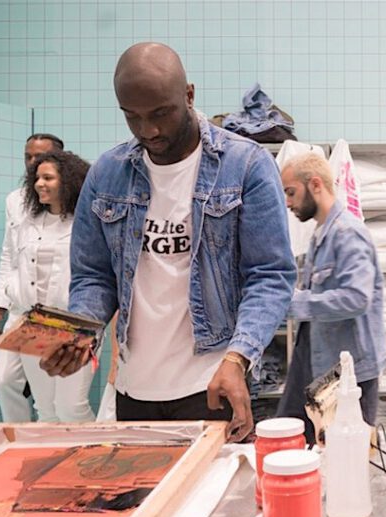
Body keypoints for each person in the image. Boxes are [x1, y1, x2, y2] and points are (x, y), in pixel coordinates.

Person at [41, 42, 295, 440]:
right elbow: (94, 276)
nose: (149, 131)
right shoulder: (107, 173)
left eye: (161, 113)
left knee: (213, 500)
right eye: (133, 117)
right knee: (145, 500)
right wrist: (81, 332)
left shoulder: (245, 165)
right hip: (134, 391)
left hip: (213, 383)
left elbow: (271, 275)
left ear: (189, 94)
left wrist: (238, 357)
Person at [275, 153, 386, 444]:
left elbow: (356, 298)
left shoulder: (347, 234)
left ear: (315, 185)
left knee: (347, 457)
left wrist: (295, 303)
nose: (287, 203)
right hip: (318, 364)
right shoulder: (319, 235)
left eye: (291, 192)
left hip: (347, 376)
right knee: (295, 439)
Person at [7, 150, 96, 422]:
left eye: (48, 178)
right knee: (44, 408)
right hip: (33, 324)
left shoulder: (85, 222)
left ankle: (93, 459)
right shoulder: (27, 224)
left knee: (71, 407)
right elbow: (14, 264)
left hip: (72, 324)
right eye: (36, 178)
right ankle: (55, 461)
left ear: (67, 181)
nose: (39, 184)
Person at [0, 133, 64, 422]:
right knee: (4, 380)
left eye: (39, 158)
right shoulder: (15, 200)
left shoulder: (67, 204)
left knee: (63, 401)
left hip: (53, 312)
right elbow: (10, 255)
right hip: (20, 307)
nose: (32, 164)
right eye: (28, 157)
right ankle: (20, 436)